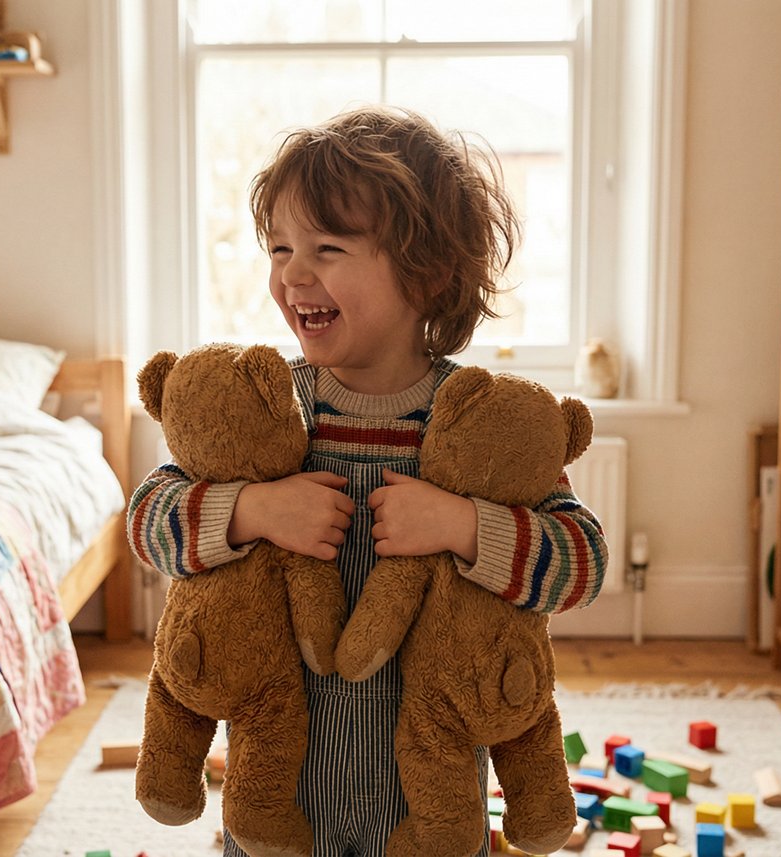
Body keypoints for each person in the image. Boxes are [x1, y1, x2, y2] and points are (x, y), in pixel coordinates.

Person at [127, 104, 608, 857]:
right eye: (280, 246)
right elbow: (148, 519)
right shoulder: (261, 401)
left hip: (424, 812)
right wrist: (251, 509)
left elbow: (580, 563)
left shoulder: (480, 420)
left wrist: (460, 525)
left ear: (430, 271)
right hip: (280, 804)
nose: (292, 272)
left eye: (328, 246)